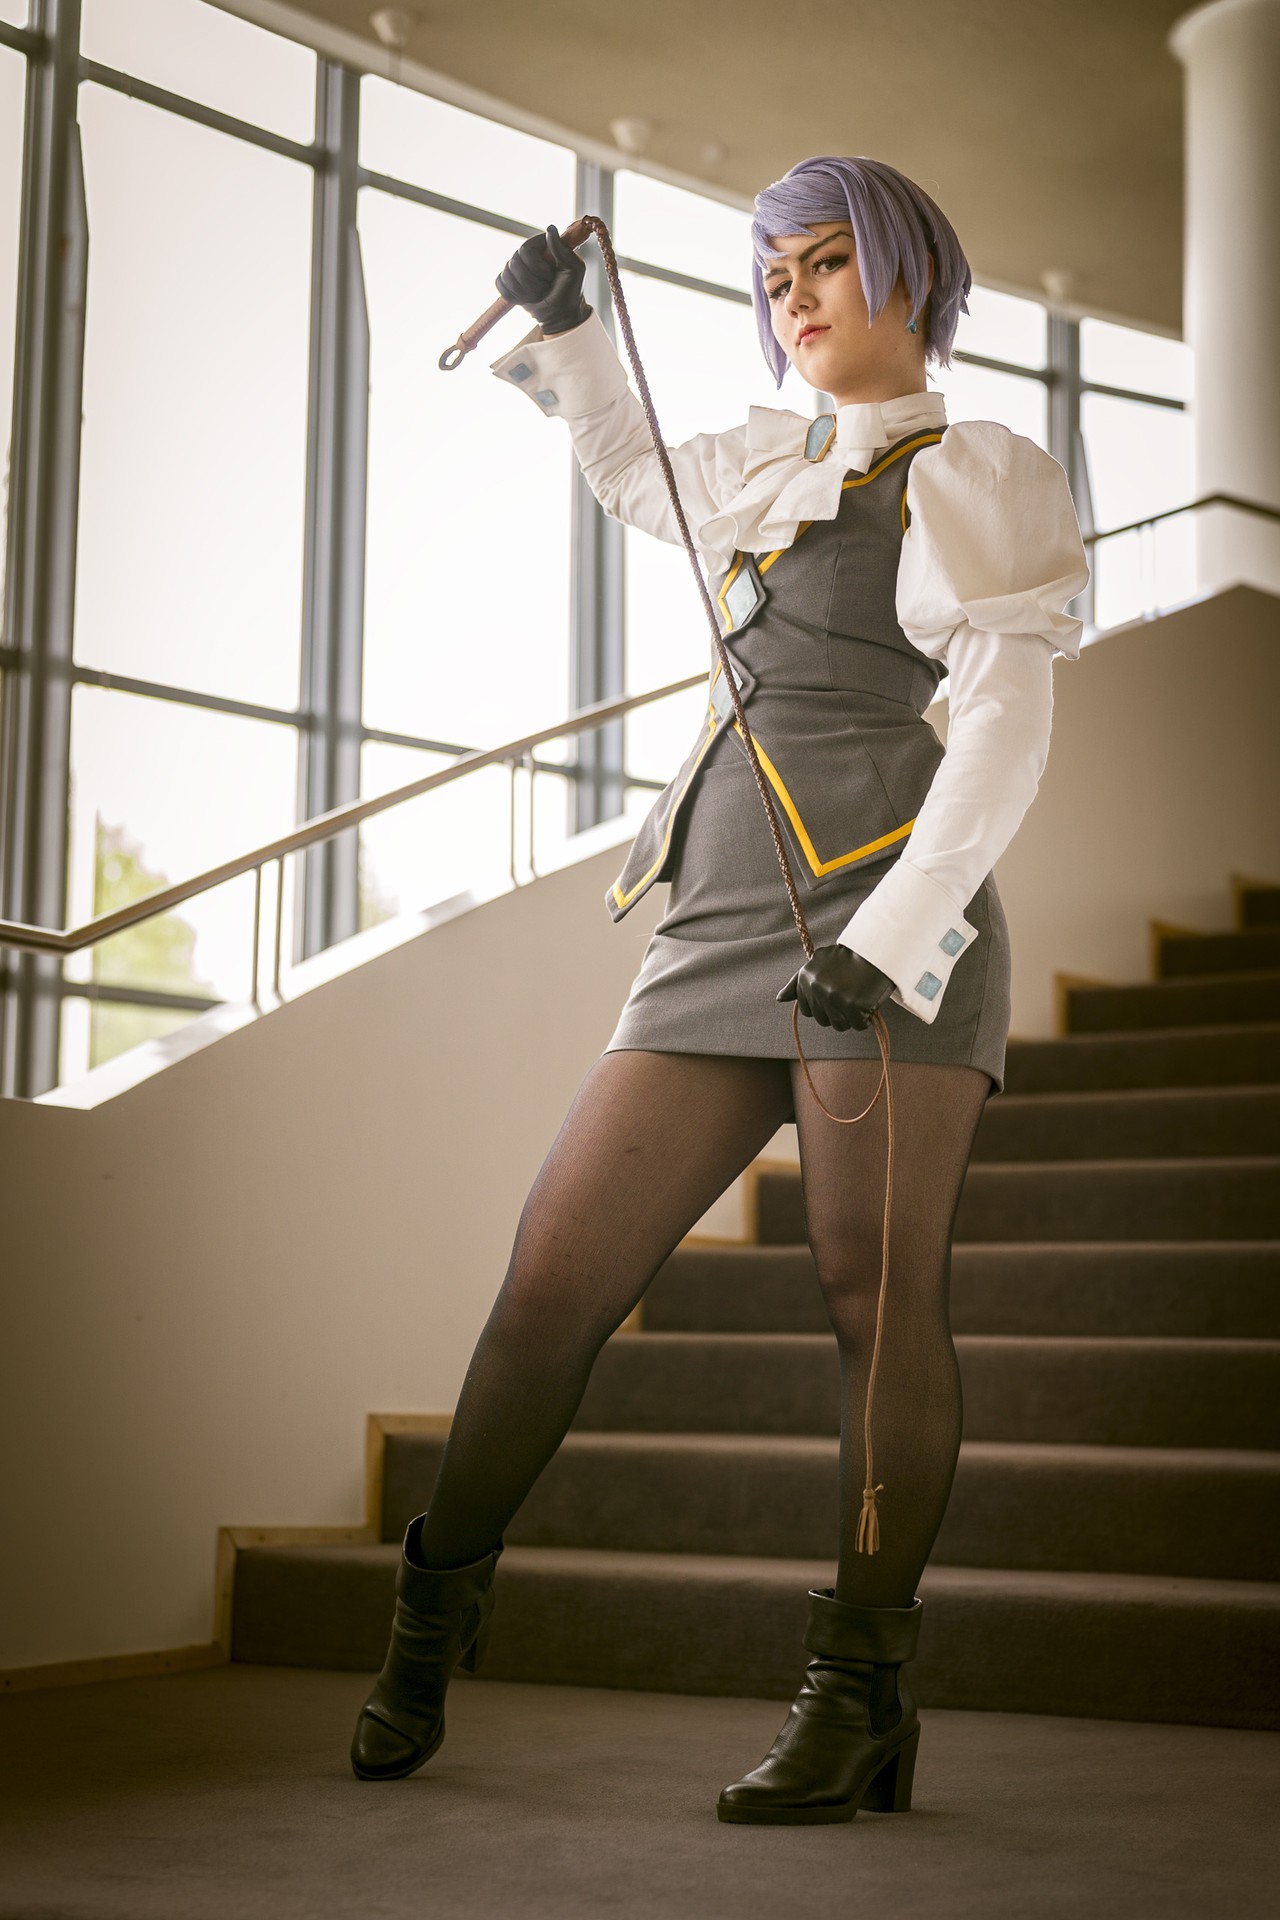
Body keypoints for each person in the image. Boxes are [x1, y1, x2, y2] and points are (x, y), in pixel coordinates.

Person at [349, 154, 1090, 1824]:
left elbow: (1001, 725)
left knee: (872, 1298)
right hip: (725, 917)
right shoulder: (768, 465)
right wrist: (574, 326)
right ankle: (431, 1615)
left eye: (826, 262)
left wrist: (899, 932)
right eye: (774, 277)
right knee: (553, 1278)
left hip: (892, 928)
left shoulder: (976, 473)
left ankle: (859, 1695)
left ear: (910, 276)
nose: (795, 298)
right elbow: (631, 474)